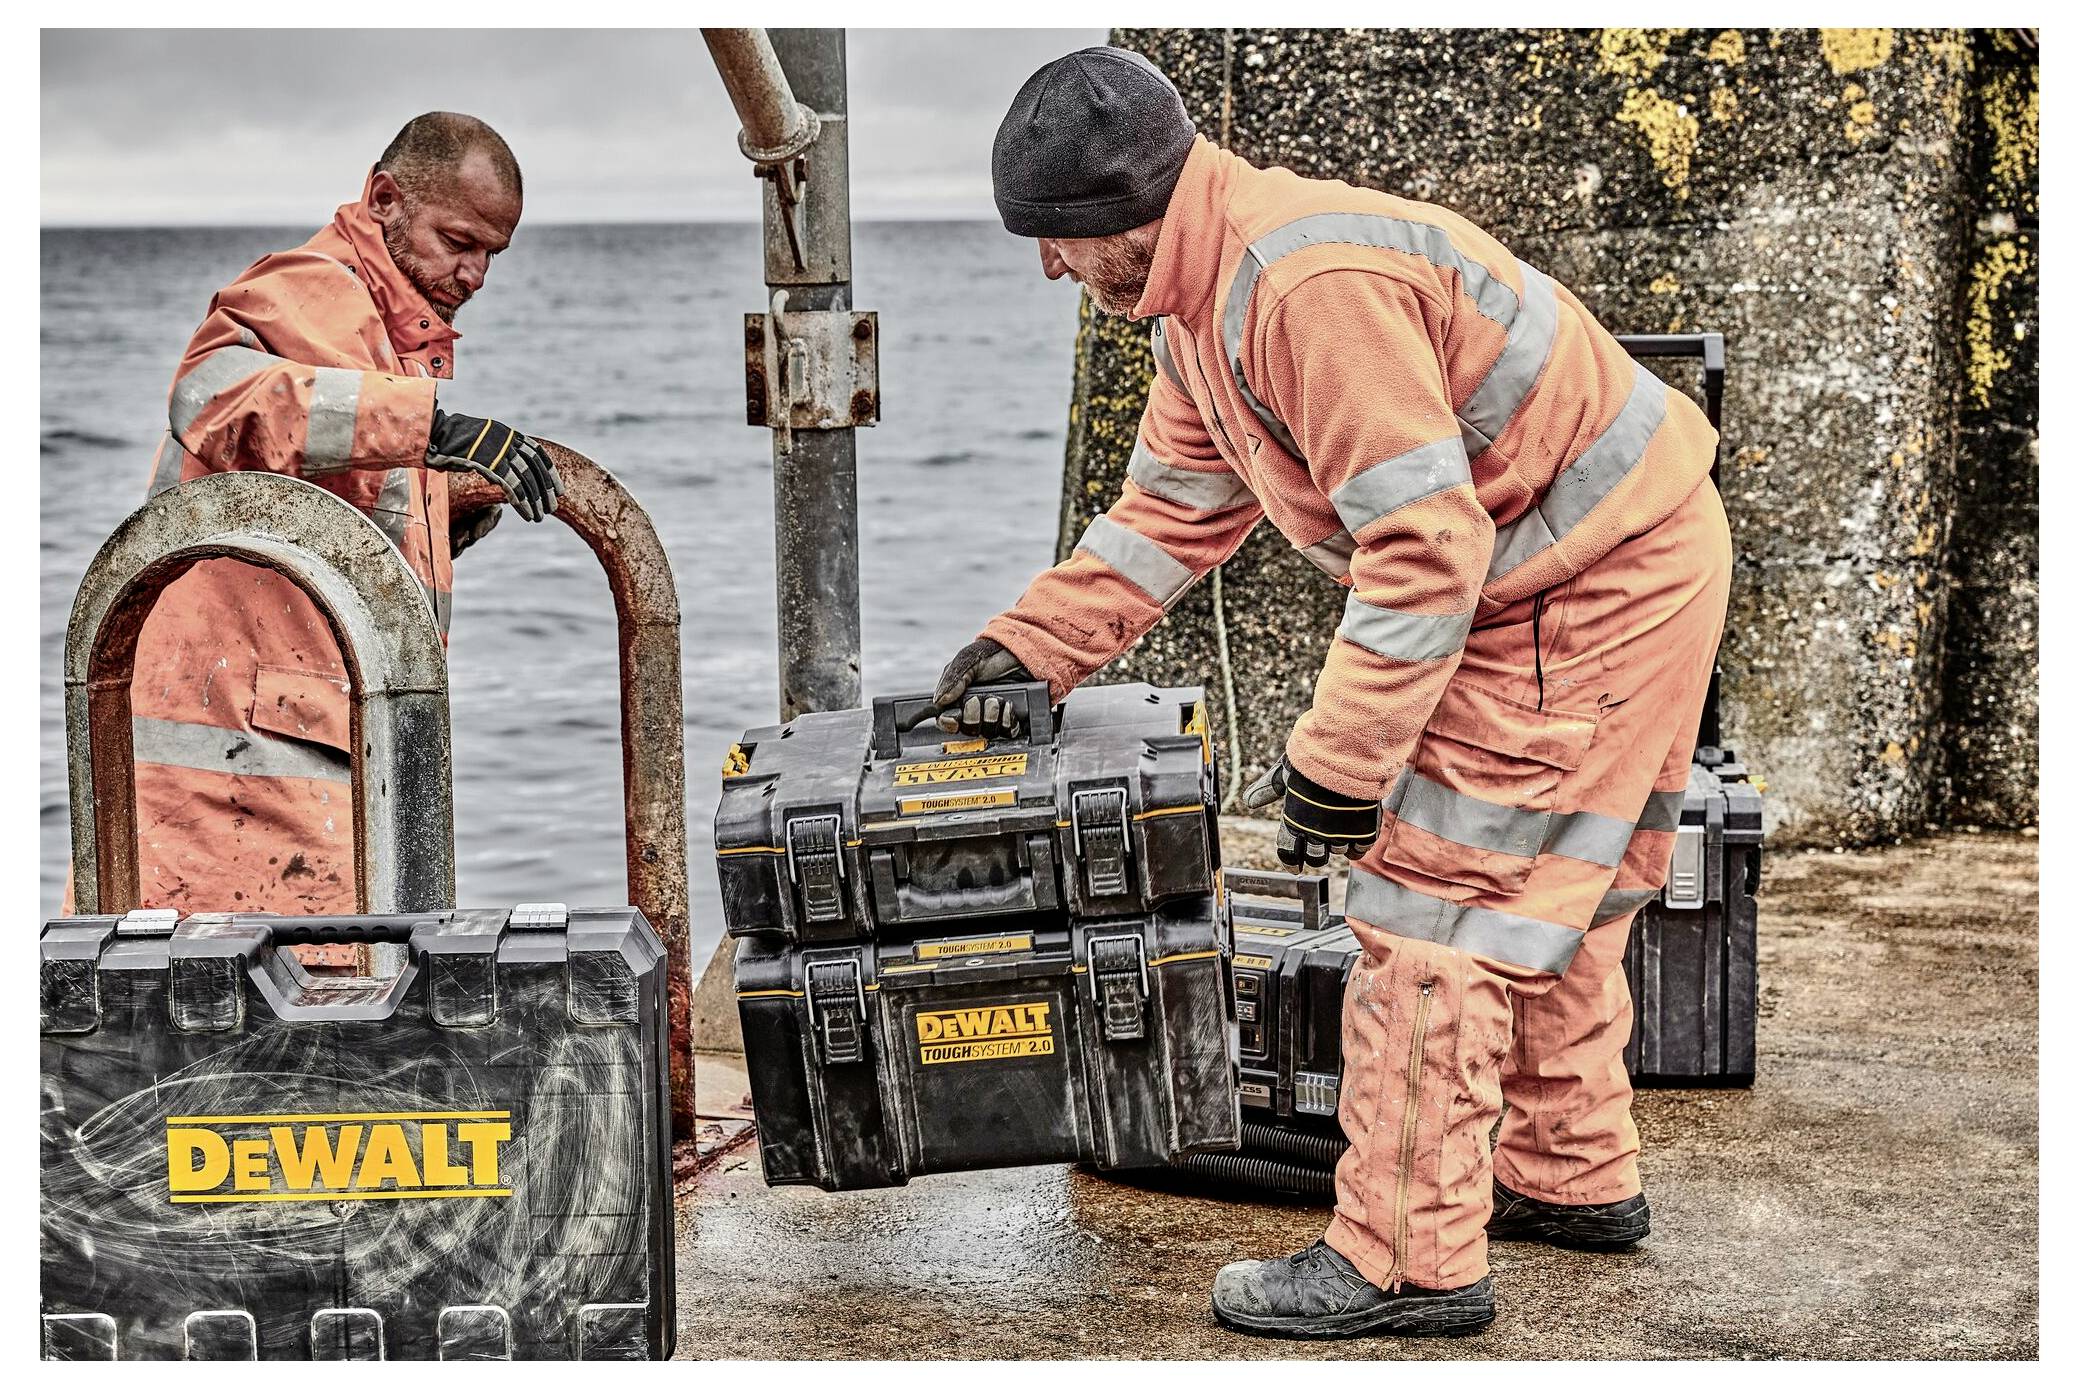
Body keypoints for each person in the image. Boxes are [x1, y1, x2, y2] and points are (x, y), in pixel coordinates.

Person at [933, 48, 1732, 1339]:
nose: (1046, 270)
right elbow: (1171, 513)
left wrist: (1336, 769)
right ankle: (1564, 1170)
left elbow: (1425, 546)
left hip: (1576, 589)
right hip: (1621, 558)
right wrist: (1033, 645)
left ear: (1119, 217)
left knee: (1431, 916)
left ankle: (1405, 1257)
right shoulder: (1204, 306)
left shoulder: (1300, 287)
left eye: (1054, 241)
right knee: (1554, 897)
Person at [125, 112, 563, 915]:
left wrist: (455, 508)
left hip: (304, 739)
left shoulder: (383, 344)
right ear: (384, 197)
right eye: (457, 240)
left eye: (491, 255)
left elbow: (331, 498)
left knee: (305, 1008)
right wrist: (440, 430)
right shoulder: (312, 290)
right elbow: (207, 396)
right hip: (237, 753)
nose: (474, 274)